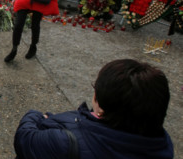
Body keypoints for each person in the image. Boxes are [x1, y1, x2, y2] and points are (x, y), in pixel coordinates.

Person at [13, 59, 174, 159]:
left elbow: (24, 138)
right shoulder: (162, 145)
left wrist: (34, 115)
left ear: (101, 104)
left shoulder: (65, 142)